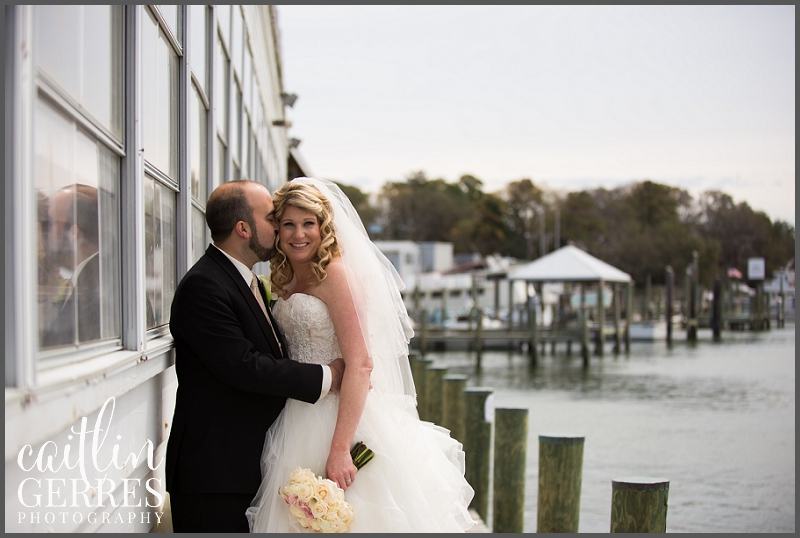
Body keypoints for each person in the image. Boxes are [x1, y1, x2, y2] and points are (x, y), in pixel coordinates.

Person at [246, 178, 475, 532]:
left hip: (339, 419)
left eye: (309, 224)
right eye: (289, 224)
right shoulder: (286, 277)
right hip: (296, 414)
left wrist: (339, 449)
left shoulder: (336, 275)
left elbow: (362, 363)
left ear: (325, 227)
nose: (298, 235)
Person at [166, 180, 345, 533]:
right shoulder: (205, 285)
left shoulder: (241, 280)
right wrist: (327, 376)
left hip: (242, 469)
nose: (279, 227)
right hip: (214, 478)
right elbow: (244, 366)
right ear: (243, 229)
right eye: (271, 219)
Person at [40, 184, 101, 348]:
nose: (46, 233)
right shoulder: (94, 278)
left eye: (50, 224)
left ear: (73, 233)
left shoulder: (95, 290)